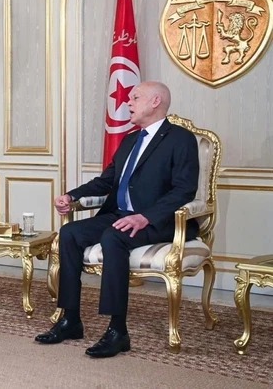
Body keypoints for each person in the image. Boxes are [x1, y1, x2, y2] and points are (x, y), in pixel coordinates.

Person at [35, 81, 199, 358]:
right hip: (119, 214)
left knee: (114, 237)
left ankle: (117, 331)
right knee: (70, 233)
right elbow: (106, 181)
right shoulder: (130, 140)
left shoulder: (181, 139)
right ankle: (70, 320)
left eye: (135, 98)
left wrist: (145, 217)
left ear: (155, 102)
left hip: (158, 221)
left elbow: (184, 190)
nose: (128, 103)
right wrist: (72, 195)